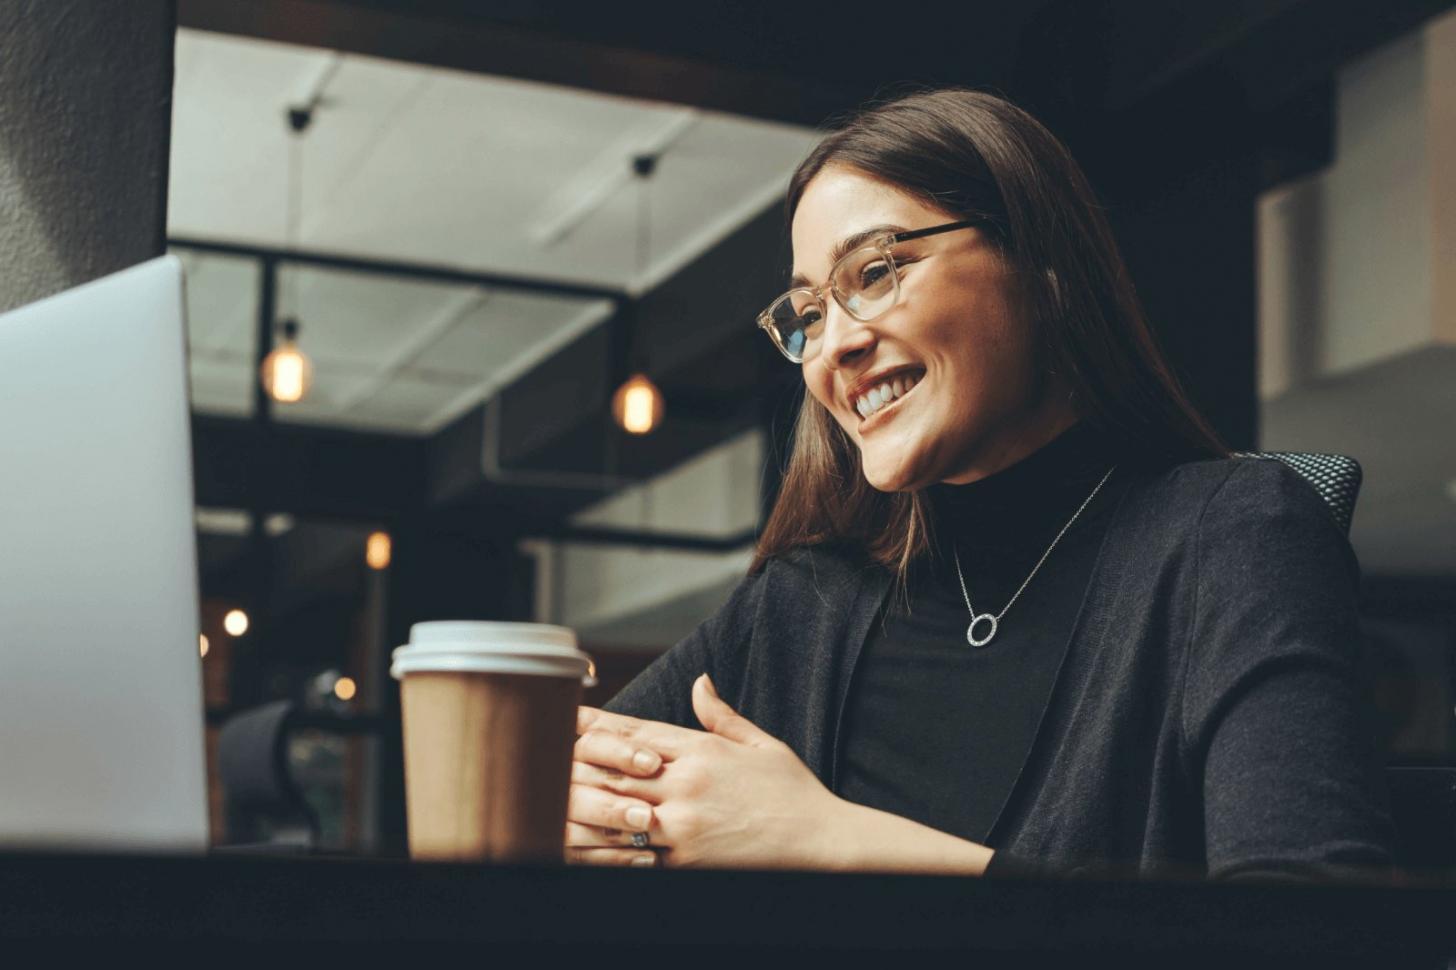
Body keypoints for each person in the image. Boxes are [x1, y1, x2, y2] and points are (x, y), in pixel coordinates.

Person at [562, 87, 1396, 882]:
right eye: (808, 312)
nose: (831, 347)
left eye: (875, 270)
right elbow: (566, 788)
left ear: (1040, 271)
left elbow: (1309, 928)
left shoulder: (1237, 537)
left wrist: (830, 842)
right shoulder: (804, 604)